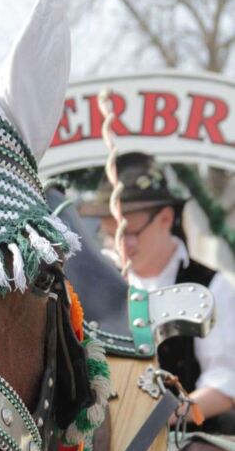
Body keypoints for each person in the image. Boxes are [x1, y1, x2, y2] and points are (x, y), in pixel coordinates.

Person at [80, 152, 235, 432]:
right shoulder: (101, 283)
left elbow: (225, 382)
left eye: (130, 233)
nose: (121, 246)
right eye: (111, 235)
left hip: (186, 438)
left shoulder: (210, 286)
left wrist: (166, 418)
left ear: (165, 218)